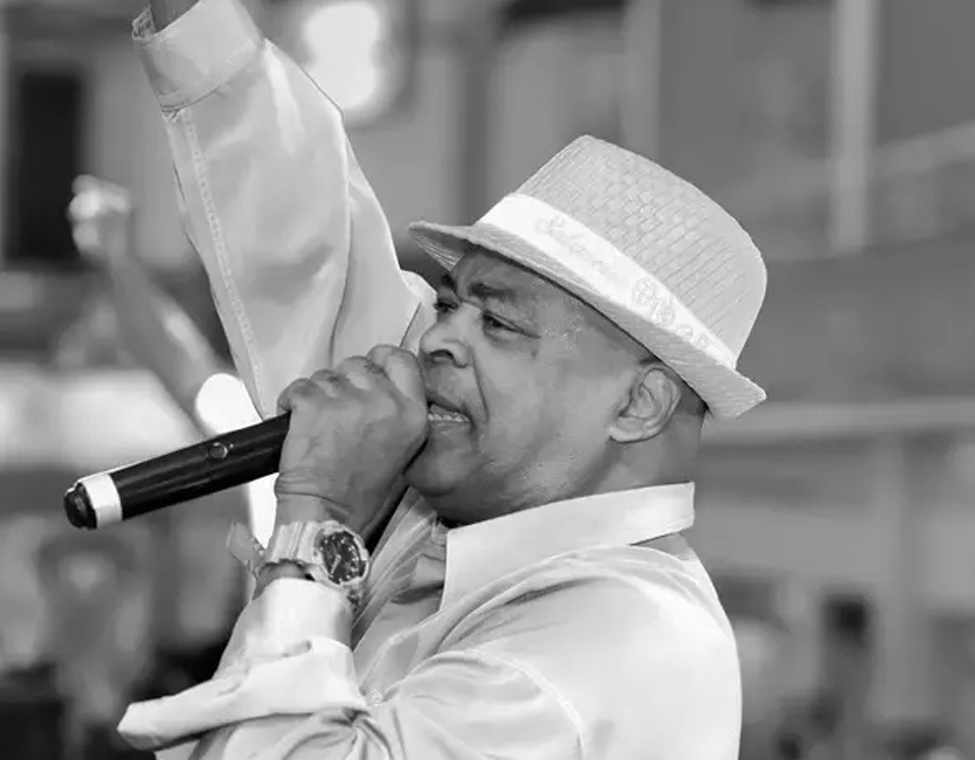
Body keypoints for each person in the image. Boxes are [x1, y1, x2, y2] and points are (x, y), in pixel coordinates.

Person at [118, 0, 769, 758]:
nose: (438, 338)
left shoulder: (611, 646)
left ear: (639, 403)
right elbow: (306, 236)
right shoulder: (477, 502)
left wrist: (316, 525)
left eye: (499, 323)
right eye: (452, 304)